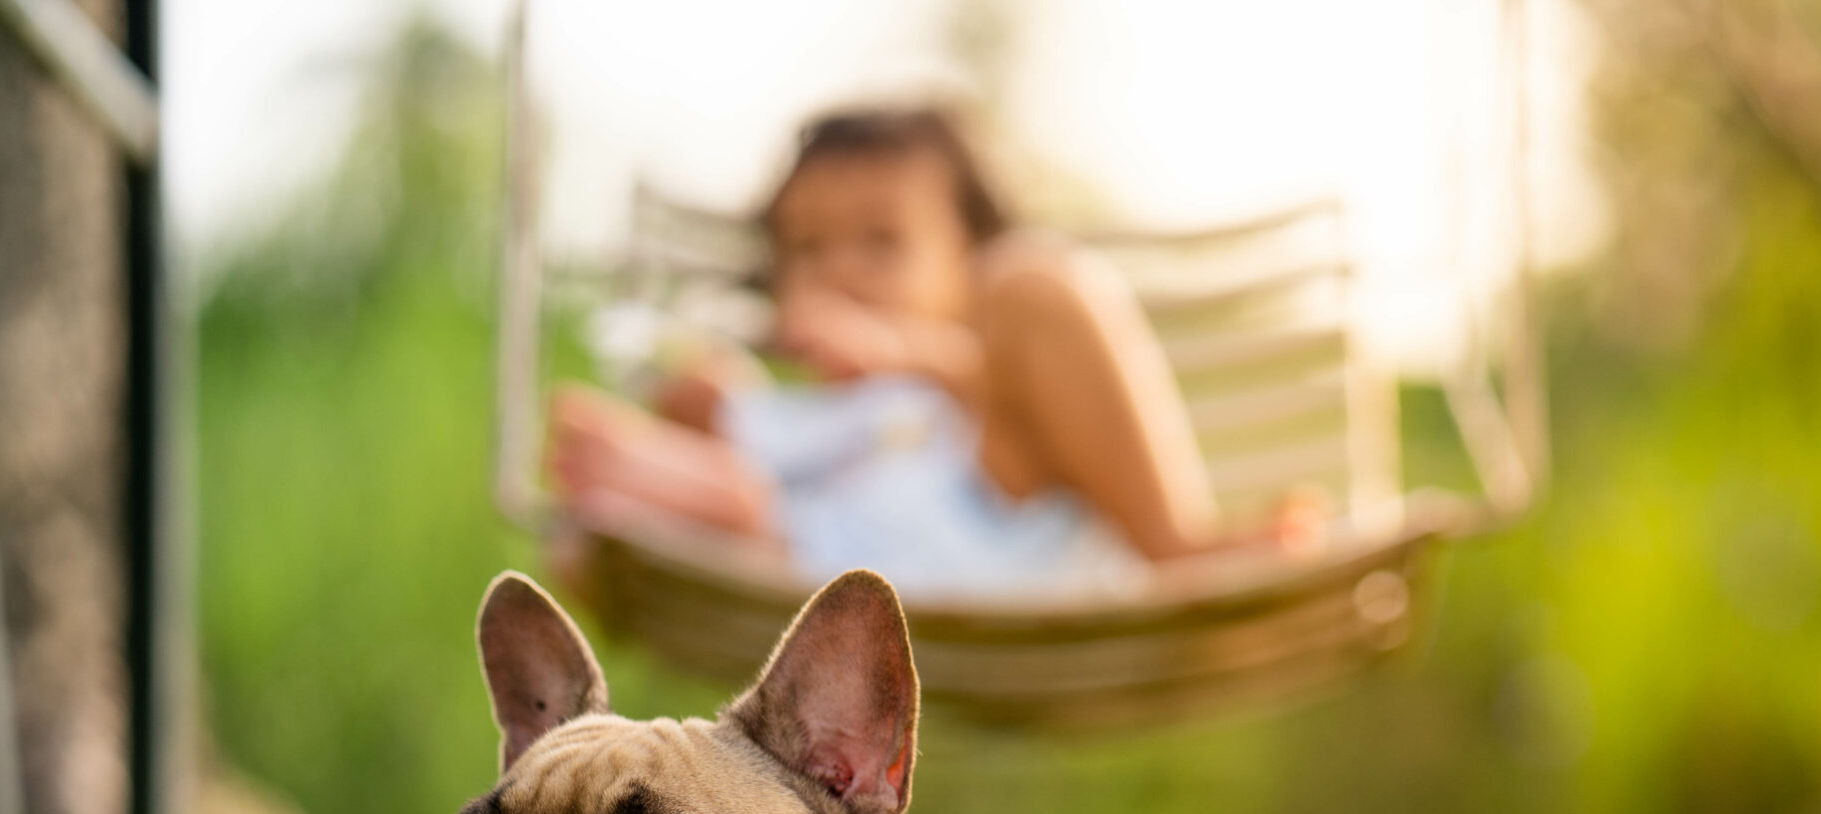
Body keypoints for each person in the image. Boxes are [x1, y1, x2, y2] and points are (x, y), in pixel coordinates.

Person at [544, 107, 1317, 595]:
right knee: (733, 486)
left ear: (964, 262)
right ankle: (620, 503)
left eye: (882, 241)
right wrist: (701, 405)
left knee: (1038, 287)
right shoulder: (817, 413)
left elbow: (991, 376)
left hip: (1012, 561)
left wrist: (907, 353)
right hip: (819, 580)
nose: (840, 269)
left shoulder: (967, 379)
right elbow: (757, 467)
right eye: (808, 250)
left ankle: (1180, 548)